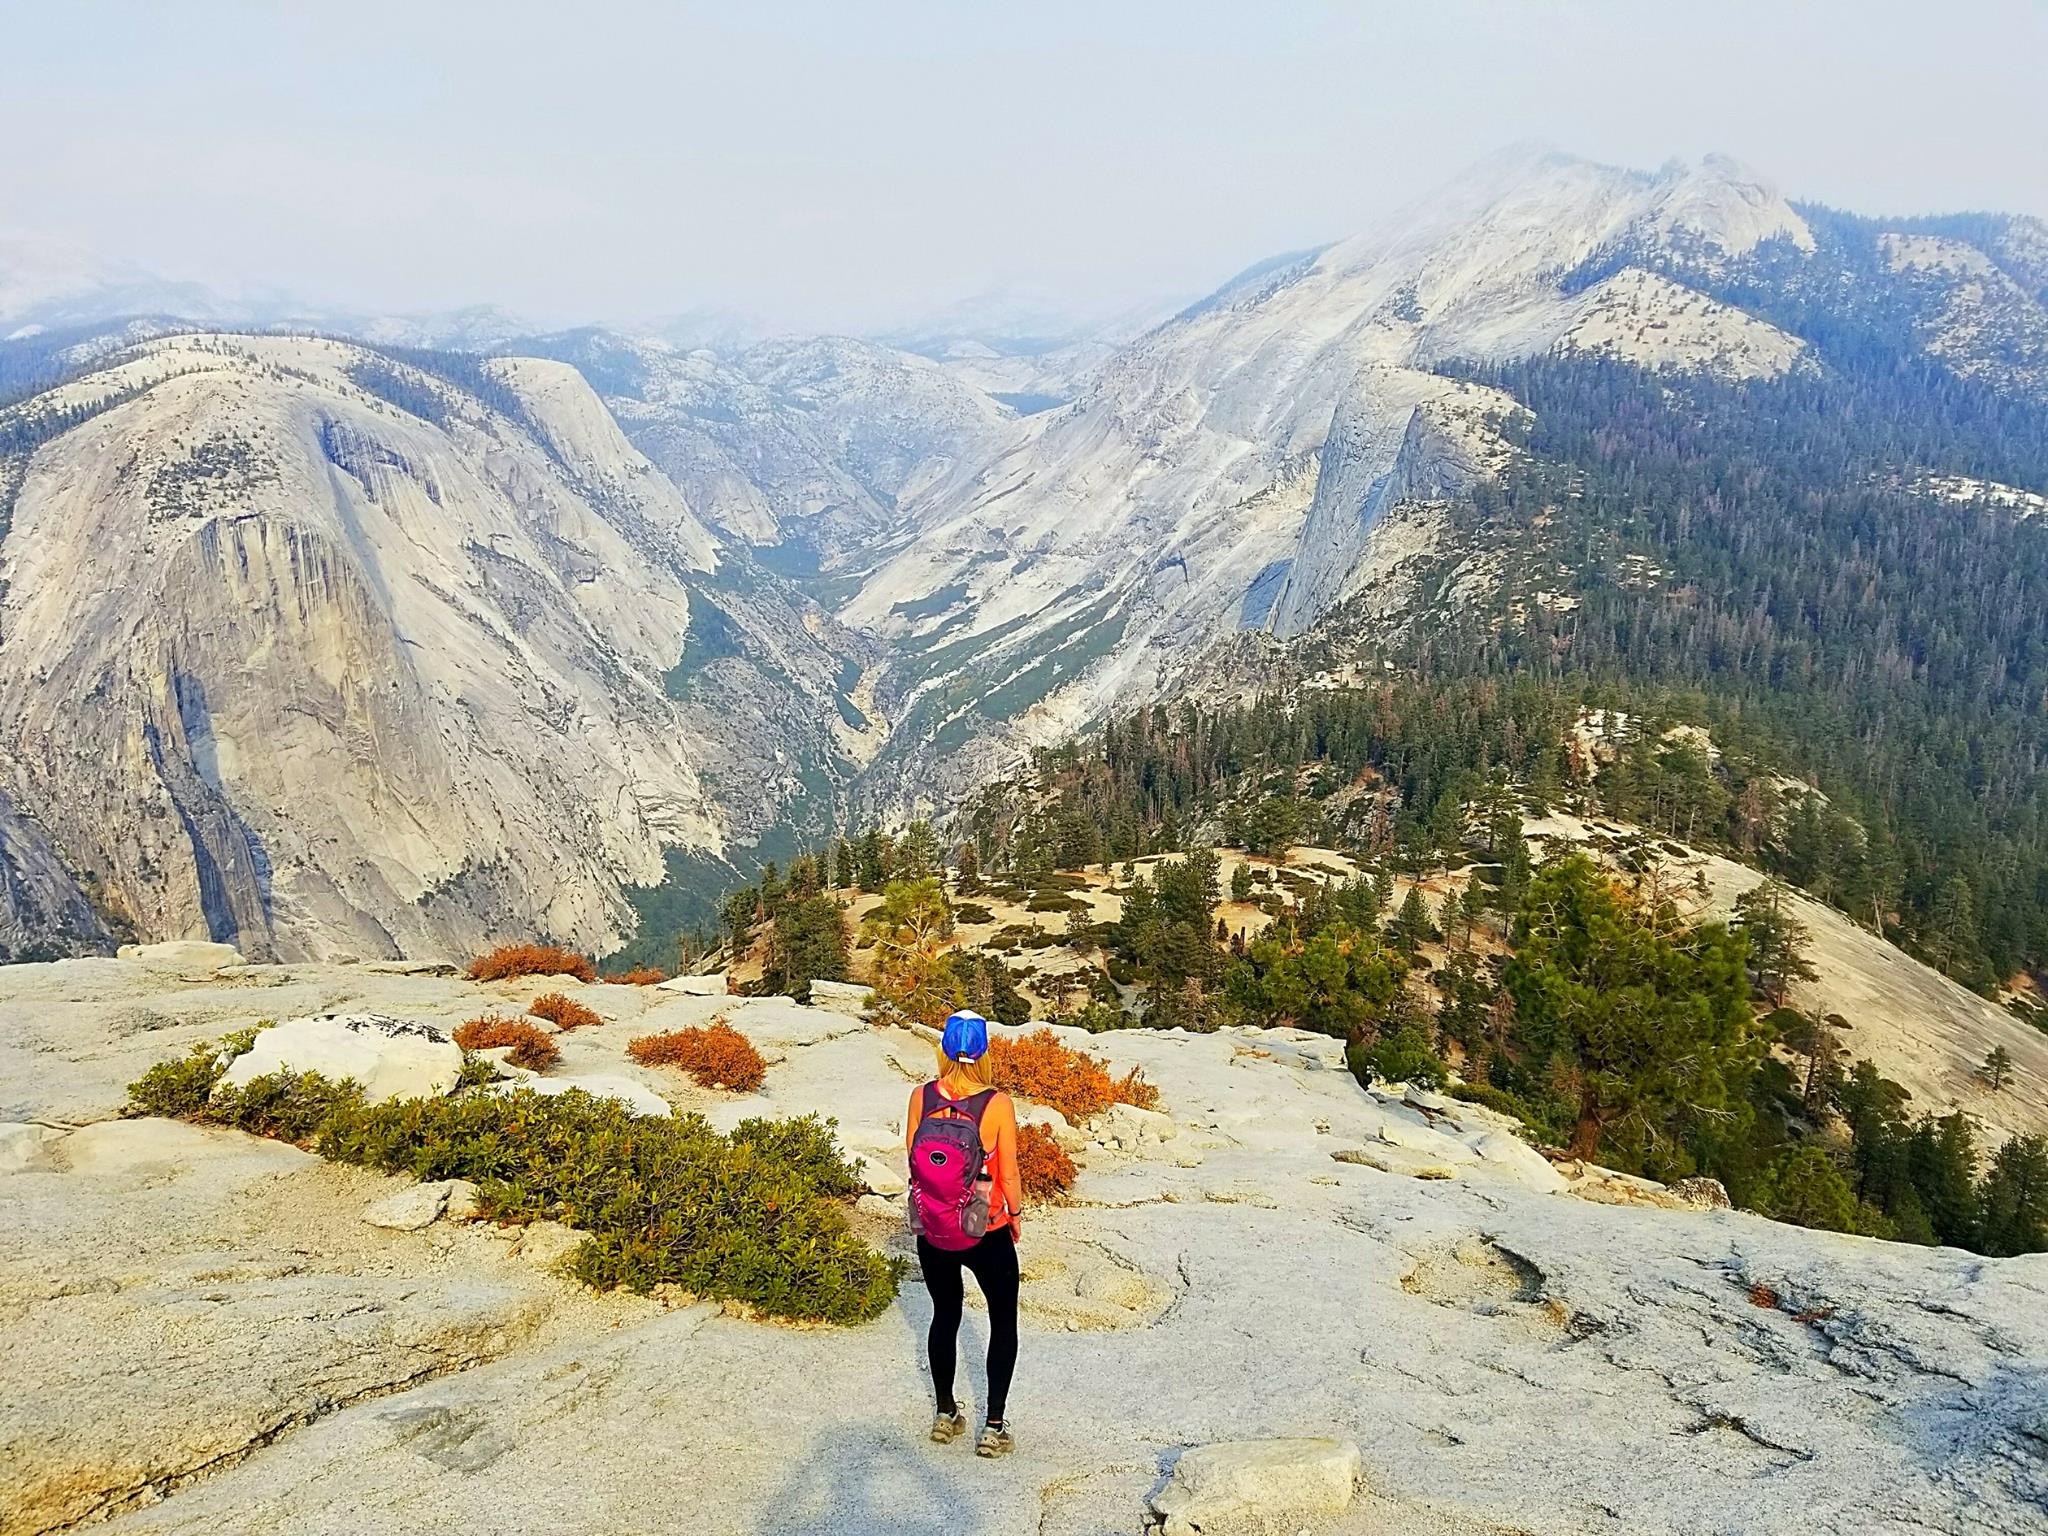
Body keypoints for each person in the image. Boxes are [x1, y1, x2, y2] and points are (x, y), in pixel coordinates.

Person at [905, 1009, 1023, 1458]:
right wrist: (1013, 1214)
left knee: (944, 1315)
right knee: (1002, 1322)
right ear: (984, 1051)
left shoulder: (921, 1096)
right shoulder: (996, 1103)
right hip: (984, 1227)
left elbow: (913, 1160)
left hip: (934, 1228)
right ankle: (993, 1427)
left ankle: (945, 1414)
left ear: (944, 1048)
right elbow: (1008, 1172)